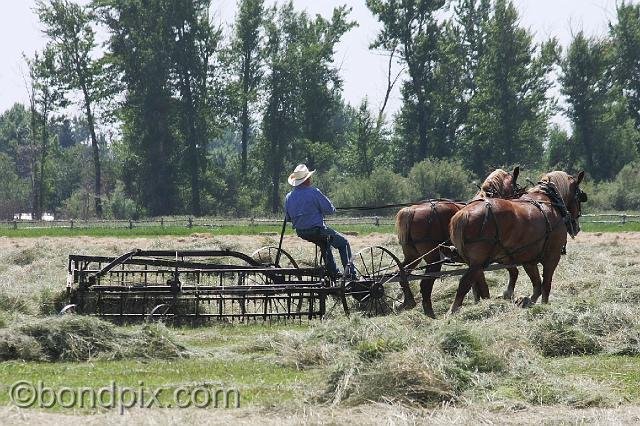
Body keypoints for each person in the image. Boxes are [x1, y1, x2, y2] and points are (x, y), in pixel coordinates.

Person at [284, 164, 354, 278]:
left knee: (325, 245)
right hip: (317, 230)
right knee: (343, 243)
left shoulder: (288, 197)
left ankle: (333, 272)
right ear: (307, 179)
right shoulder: (314, 192)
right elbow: (330, 209)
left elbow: (288, 218)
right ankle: (351, 275)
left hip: (301, 232)